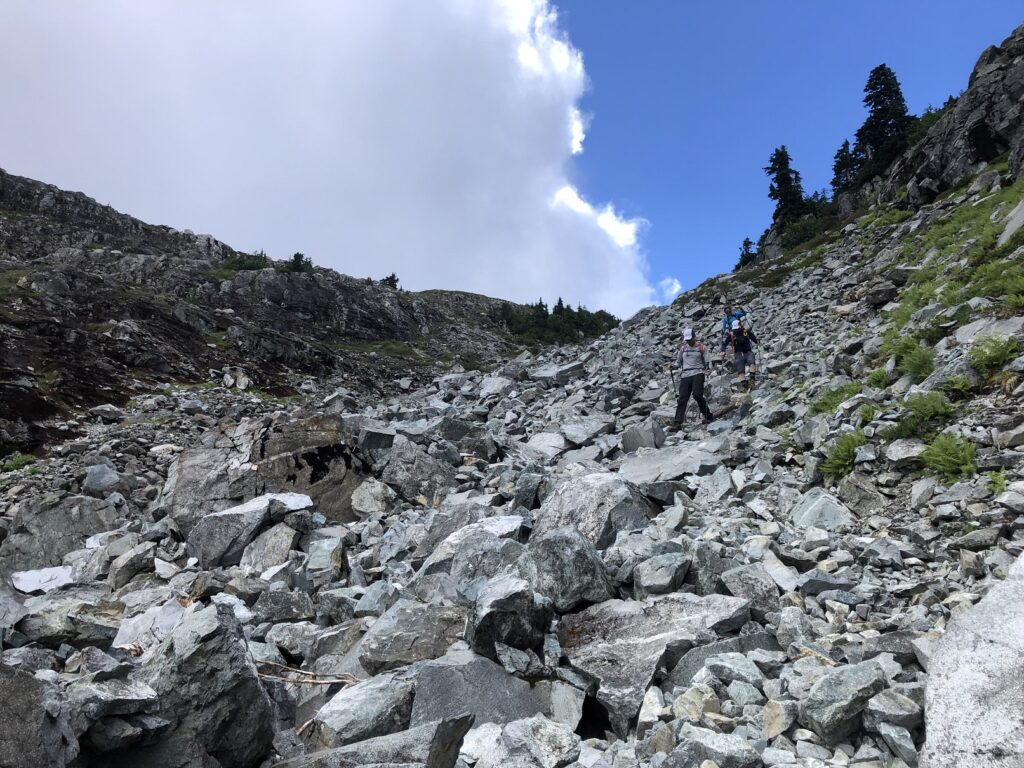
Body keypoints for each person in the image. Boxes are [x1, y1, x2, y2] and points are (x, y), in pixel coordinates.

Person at [665, 328, 713, 428]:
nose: (688, 341)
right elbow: (678, 363)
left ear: (694, 337)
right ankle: (677, 423)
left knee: (697, 394)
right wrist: (672, 367)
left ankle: (708, 415)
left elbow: (708, 360)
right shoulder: (683, 349)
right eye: (687, 340)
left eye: (690, 339)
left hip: (698, 373)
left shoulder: (702, 347)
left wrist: (708, 369)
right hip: (685, 375)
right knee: (682, 398)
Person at [728, 319, 759, 390]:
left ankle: (750, 382)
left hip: (743, 353)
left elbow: (754, 339)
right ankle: (748, 385)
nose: (737, 330)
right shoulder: (734, 334)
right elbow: (755, 340)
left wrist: (757, 340)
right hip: (742, 353)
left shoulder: (743, 332)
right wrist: (757, 341)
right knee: (743, 369)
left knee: (747, 367)